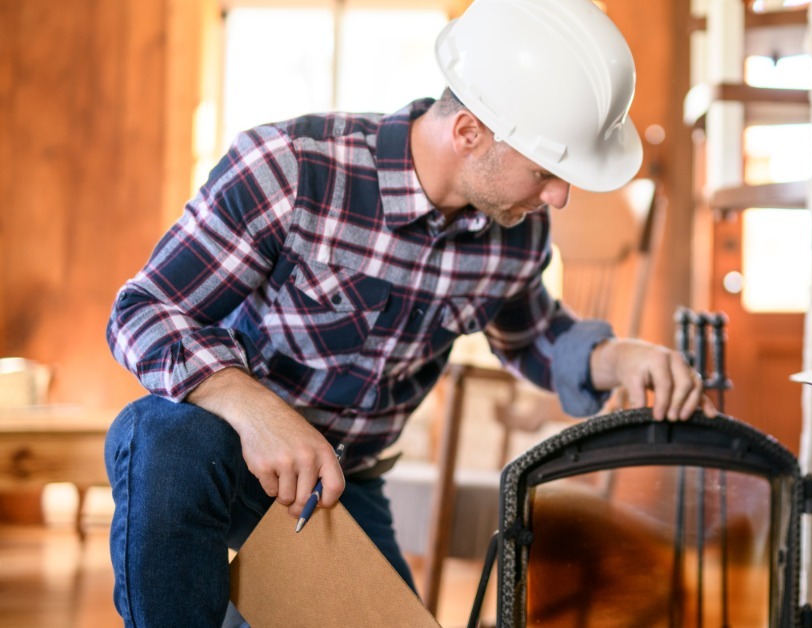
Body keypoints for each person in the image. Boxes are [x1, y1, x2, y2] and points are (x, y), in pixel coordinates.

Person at [103, 0, 713, 624]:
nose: (558, 195)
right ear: (470, 133)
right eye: (545, 171)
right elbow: (142, 311)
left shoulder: (515, 230)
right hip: (234, 461)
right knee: (166, 433)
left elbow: (532, 336)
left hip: (341, 489)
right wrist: (252, 406)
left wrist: (619, 357)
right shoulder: (291, 167)